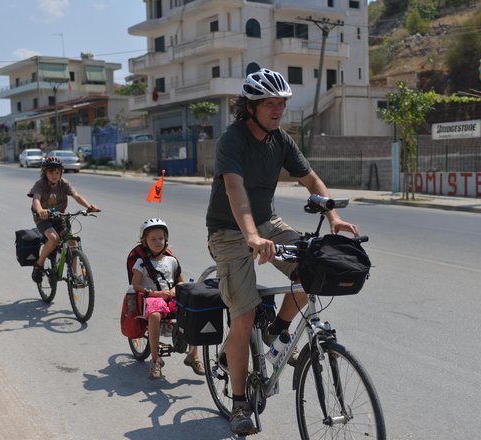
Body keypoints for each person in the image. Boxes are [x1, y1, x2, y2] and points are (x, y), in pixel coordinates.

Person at [205, 68, 360, 436]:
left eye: (282, 103)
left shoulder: (281, 140)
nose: (278, 110)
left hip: (267, 223)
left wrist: (333, 216)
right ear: (251, 106)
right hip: (229, 231)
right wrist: (252, 238)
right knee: (242, 316)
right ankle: (240, 403)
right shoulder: (233, 139)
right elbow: (234, 191)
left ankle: (277, 328)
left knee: (315, 270)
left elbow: (311, 180)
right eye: (270, 104)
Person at [131, 218, 205, 380]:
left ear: (166, 240)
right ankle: (156, 359)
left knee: (194, 312)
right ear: (145, 241)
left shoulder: (171, 261)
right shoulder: (141, 263)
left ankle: (193, 355)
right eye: (153, 239)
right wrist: (155, 294)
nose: (158, 242)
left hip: (170, 298)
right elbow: (135, 285)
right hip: (151, 298)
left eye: (161, 238)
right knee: (155, 314)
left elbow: (180, 281)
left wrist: (173, 290)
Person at [28, 156, 100, 283]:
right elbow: (36, 199)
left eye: (57, 172)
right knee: (54, 239)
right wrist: (40, 211)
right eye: (51, 172)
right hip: (43, 219)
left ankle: (74, 274)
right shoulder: (40, 184)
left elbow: (76, 195)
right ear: (45, 172)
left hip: (60, 216)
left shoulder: (64, 183)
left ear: (61, 172)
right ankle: (39, 264)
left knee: (72, 241)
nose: (55, 175)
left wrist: (89, 206)